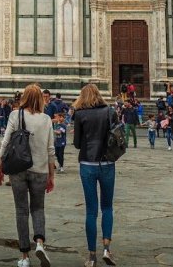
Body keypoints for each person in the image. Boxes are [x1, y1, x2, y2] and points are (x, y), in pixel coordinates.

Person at [0, 83, 55, 267]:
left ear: (24, 98)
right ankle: (39, 242)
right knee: (38, 209)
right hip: (40, 170)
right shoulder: (46, 119)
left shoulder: (15, 115)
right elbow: (51, 150)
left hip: (18, 169)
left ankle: (24, 257)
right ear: (40, 99)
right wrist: (51, 176)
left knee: (21, 211)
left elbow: (6, 143)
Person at [73, 83, 118, 267]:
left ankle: (92, 256)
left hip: (87, 164)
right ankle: (107, 248)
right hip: (107, 163)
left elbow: (76, 143)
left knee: (91, 211)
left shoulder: (80, 114)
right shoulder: (109, 111)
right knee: (107, 207)